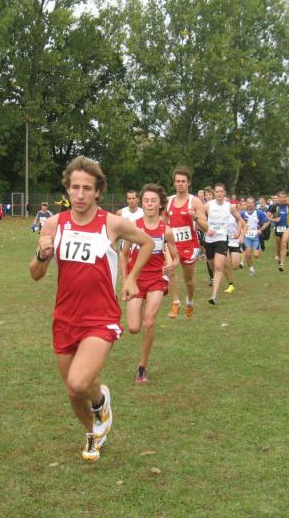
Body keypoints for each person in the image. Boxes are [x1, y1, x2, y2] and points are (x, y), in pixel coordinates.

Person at [30, 156, 153, 461]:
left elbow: (147, 243)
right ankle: (93, 432)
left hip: (101, 318)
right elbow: (35, 274)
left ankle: (100, 402)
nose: (80, 194)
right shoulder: (54, 224)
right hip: (64, 318)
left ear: (98, 191)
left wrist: (131, 278)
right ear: (67, 189)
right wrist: (42, 256)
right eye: (75, 187)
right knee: (73, 391)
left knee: (79, 381)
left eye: (87, 188)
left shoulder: (112, 223)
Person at [121, 183, 179, 383]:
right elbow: (124, 254)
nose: (149, 204)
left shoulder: (166, 230)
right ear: (141, 203)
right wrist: (126, 280)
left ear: (160, 204)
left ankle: (142, 366)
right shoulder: (133, 227)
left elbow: (176, 257)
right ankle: (142, 305)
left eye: (153, 200)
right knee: (133, 327)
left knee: (149, 321)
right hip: (136, 280)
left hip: (156, 278)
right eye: (146, 200)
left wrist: (172, 266)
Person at [165, 166, 208, 320]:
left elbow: (205, 227)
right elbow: (163, 223)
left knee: (188, 280)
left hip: (190, 245)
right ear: (174, 183)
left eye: (183, 181)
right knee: (170, 270)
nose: (180, 184)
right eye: (178, 181)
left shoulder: (195, 202)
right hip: (173, 244)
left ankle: (189, 302)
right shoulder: (168, 201)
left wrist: (195, 217)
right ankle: (176, 303)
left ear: (188, 183)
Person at [204, 183, 242, 305]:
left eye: (221, 191)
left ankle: (214, 296)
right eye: (217, 192)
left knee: (219, 266)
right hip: (209, 240)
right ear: (214, 193)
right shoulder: (208, 206)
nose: (219, 194)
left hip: (222, 239)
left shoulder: (230, 206)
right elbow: (198, 219)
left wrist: (238, 231)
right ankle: (217, 280)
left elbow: (239, 220)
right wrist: (206, 230)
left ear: (225, 193)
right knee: (212, 265)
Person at [239, 197, 270, 277]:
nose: (249, 205)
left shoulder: (259, 213)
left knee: (256, 255)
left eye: (251, 203)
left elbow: (267, 222)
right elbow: (239, 223)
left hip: (256, 237)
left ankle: (257, 249)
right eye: (248, 203)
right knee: (247, 254)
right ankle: (251, 269)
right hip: (247, 237)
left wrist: (261, 230)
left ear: (254, 204)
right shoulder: (242, 214)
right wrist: (241, 231)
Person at [268, 191, 289, 271]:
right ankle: (279, 258)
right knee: (279, 246)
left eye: (284, 197)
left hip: (286, 228)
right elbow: (267, 217)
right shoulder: (274, 207)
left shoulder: (288, 206)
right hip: (277, 228)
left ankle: (282, 264)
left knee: (284, 244)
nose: (283, 199)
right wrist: (274, 220)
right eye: (281, 197)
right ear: (278, 198)